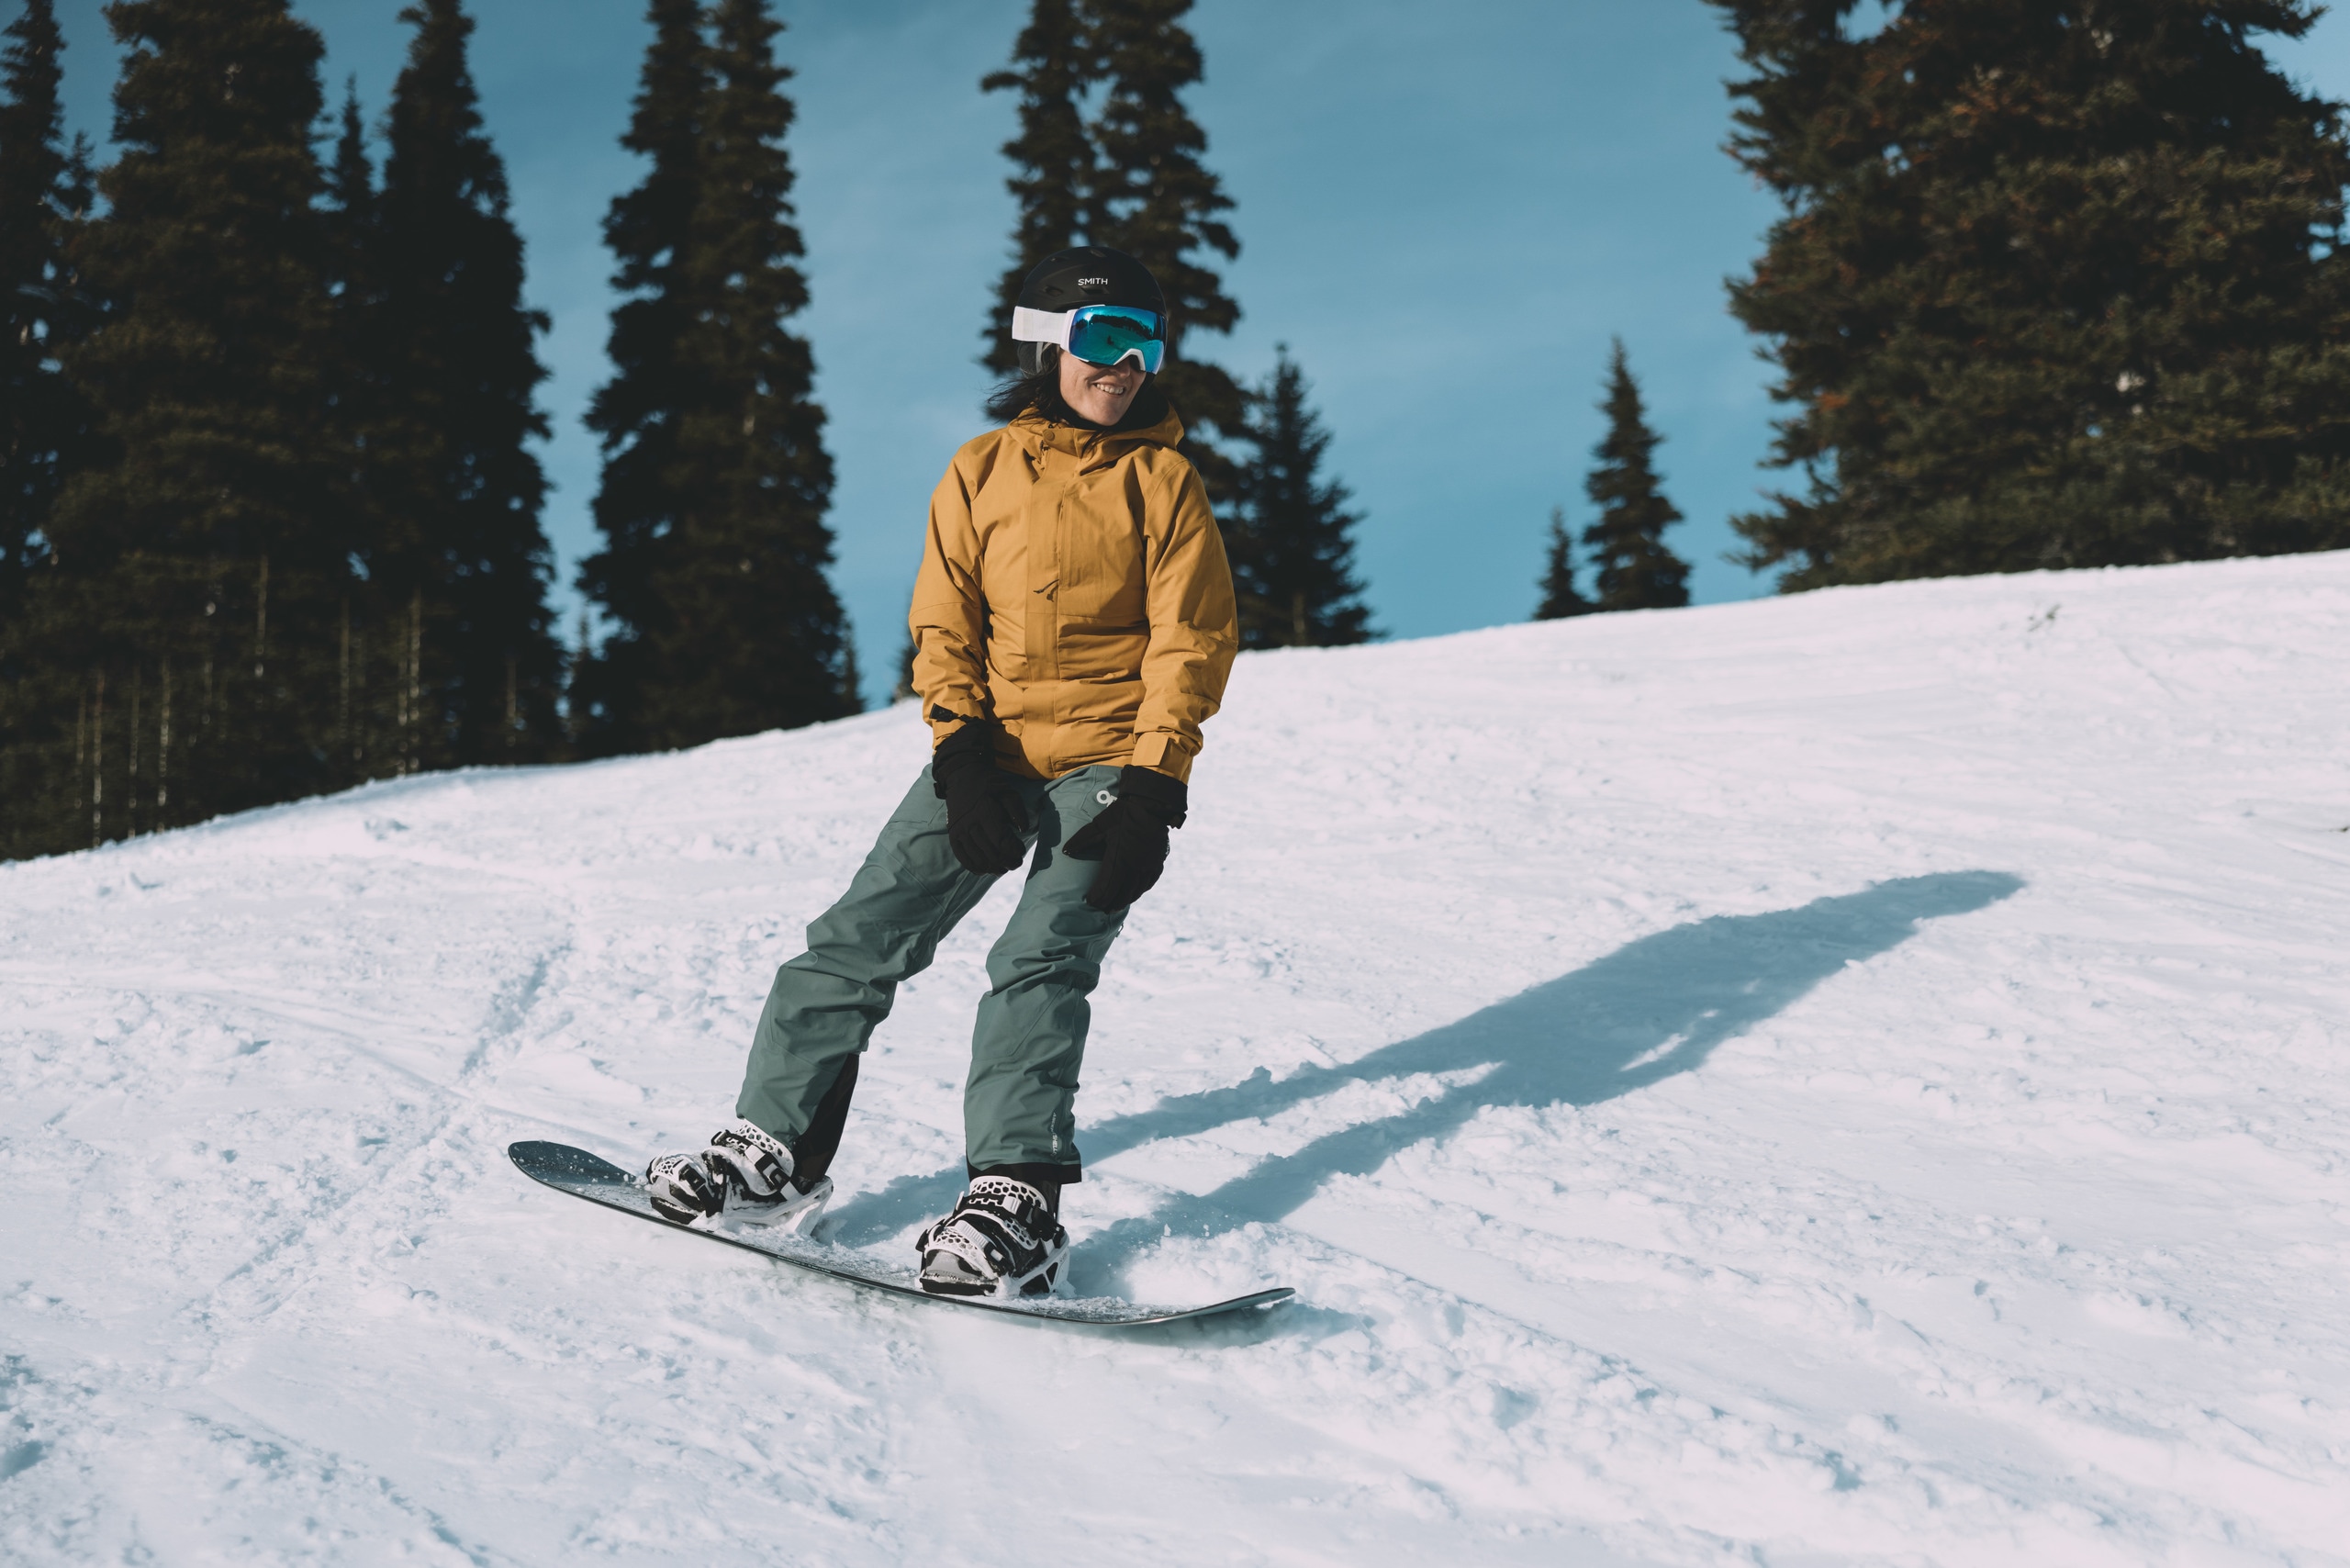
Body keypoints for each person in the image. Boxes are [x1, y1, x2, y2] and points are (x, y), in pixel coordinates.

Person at [643, 247, 1239, 1298]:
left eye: (1147, 344)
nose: (1128, 364)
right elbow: (944, 618)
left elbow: (1190, 644)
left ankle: (1014, 1198)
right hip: (992, 755)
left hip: (1105, 762)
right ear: (1047, 341)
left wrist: (1154, 783)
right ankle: (768, 1155)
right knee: (852, 944)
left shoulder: (1165, 482)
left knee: (1038, 958)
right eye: (1105, 339)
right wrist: (959, 750)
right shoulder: (979, 470)